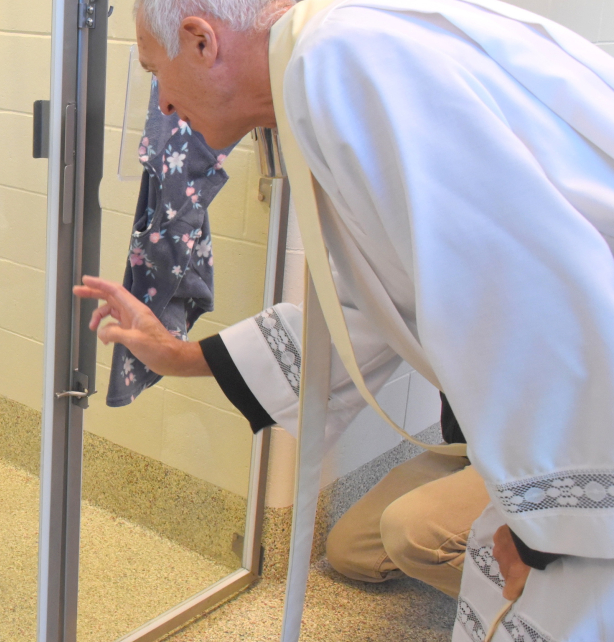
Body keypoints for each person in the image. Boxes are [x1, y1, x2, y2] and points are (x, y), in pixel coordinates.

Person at [74, 0, 614, 639]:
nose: (162, 104)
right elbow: (369, 310)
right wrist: (181, 355)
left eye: (154, 70)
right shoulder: (332, 58)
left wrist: (549, 534)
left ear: (200, 41)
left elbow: (538, 298)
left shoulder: (342, 61)